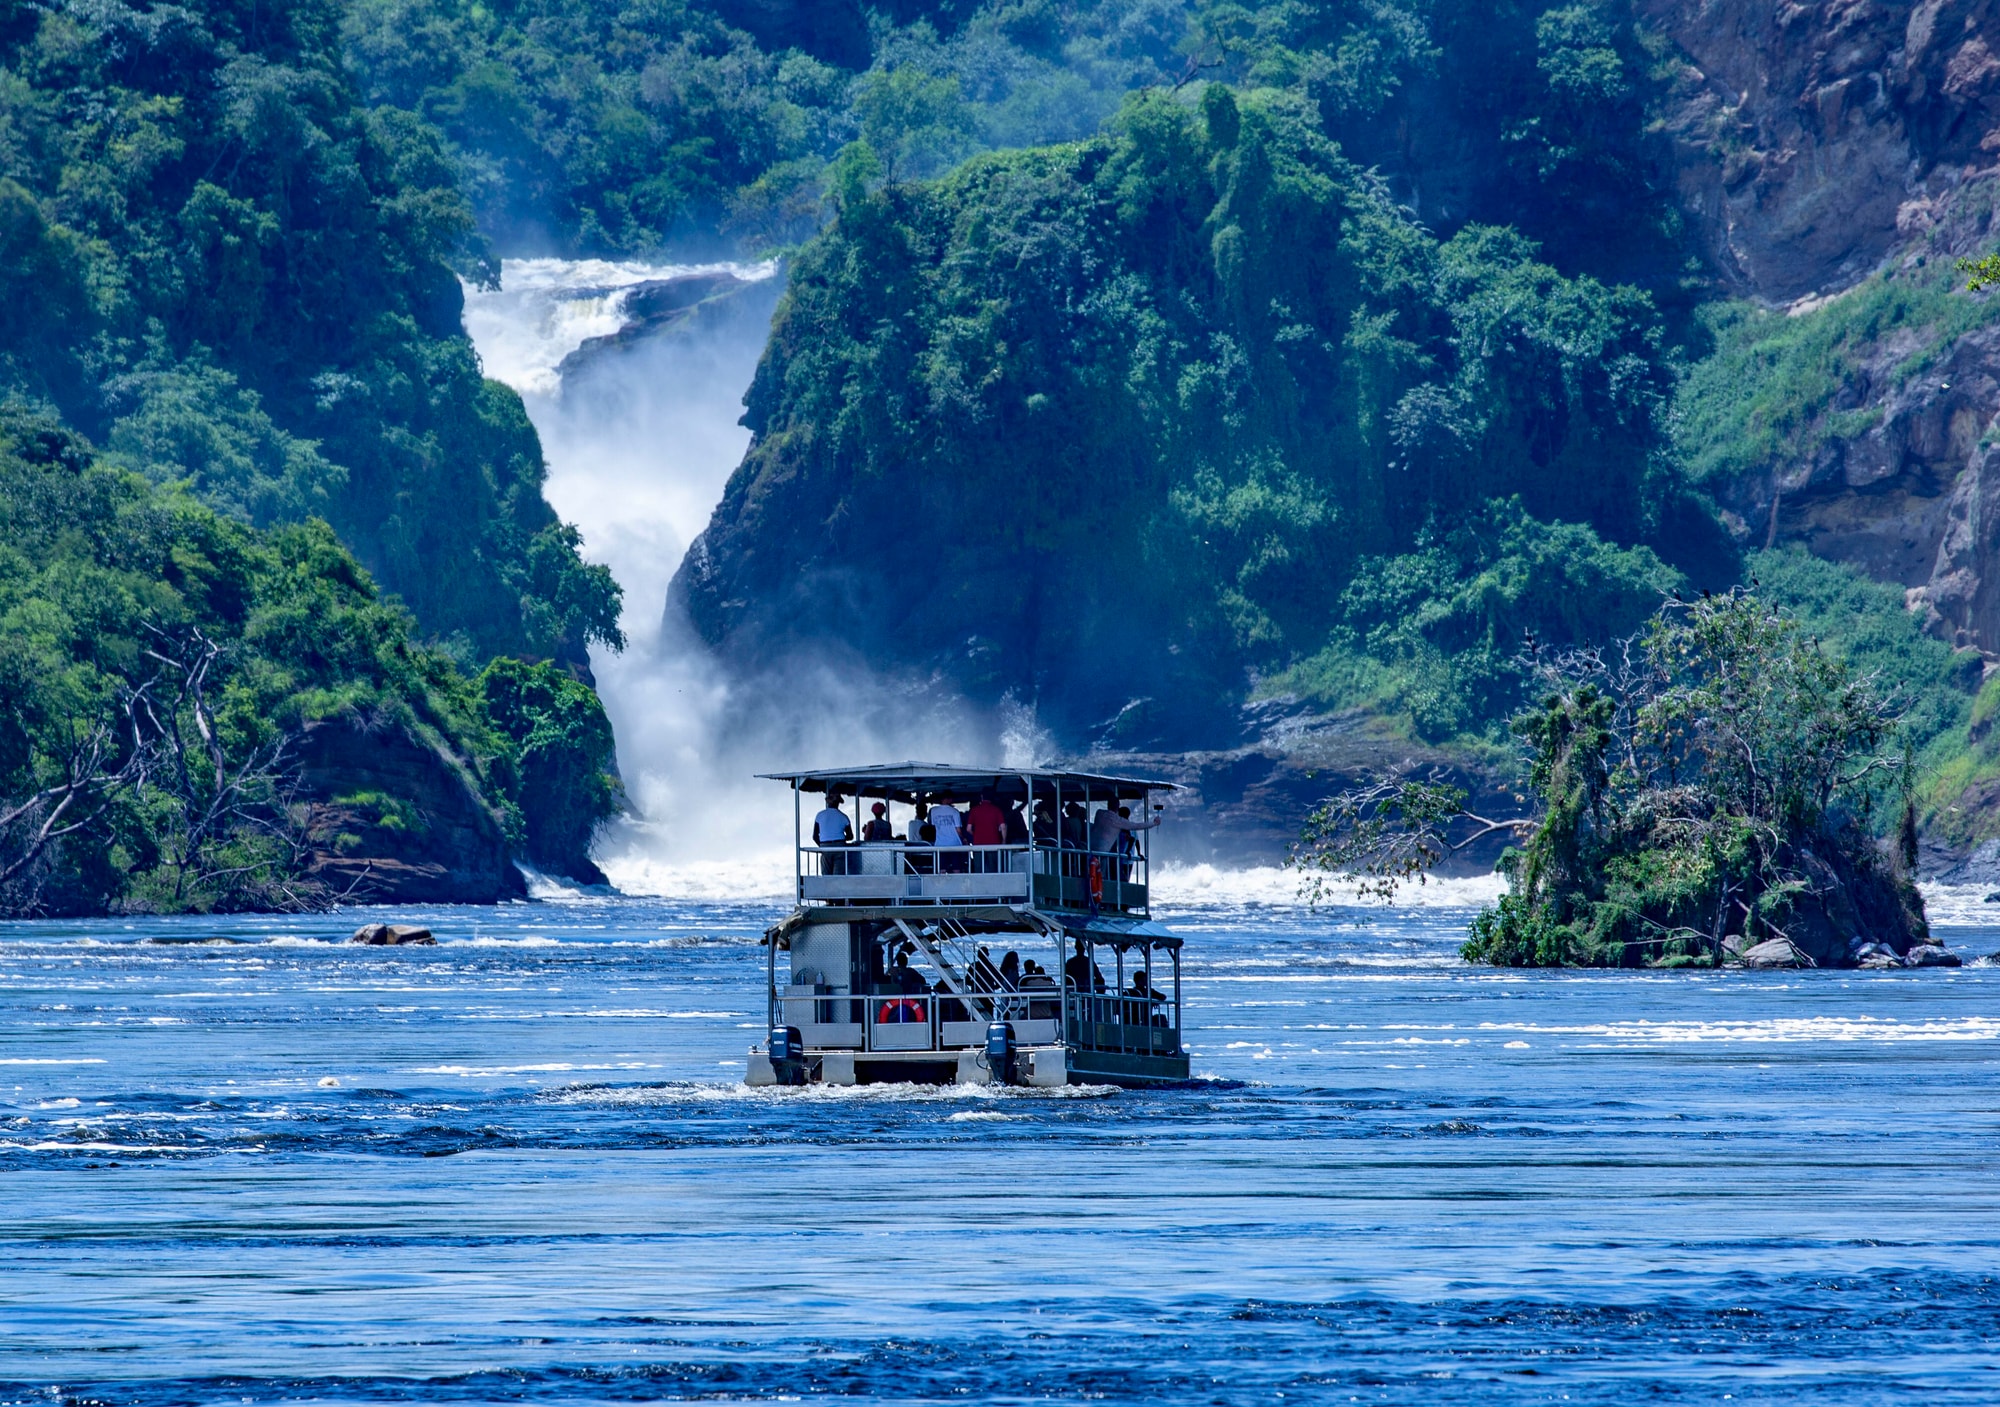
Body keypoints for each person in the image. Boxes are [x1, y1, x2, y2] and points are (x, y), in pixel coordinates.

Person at [1091, 801, 1160, 862]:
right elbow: (1137, 826)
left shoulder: (1099, 813)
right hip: (1105, 853)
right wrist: (1154, 823)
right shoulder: (1118, 821)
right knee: (1101, 871)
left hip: (1092, 849)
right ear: (1117, 807)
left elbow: (1135, 839)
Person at [814, 792, 853, 874]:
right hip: (840, 846)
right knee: (838, 876)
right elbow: (850, 836)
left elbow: (815, 836)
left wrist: (821, 846)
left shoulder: (820, 815)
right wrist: (840, 838)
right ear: (839, 803)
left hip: (825, 846)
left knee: (826, 876)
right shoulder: (843, 817)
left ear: (827, 802)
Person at [966, 791, 1006, 872]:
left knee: (979, 869)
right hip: (994, 844)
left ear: (981, 796)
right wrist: (1004, 840)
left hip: (978, 844)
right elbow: (1003, 827)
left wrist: (976, 835)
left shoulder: (974, 810)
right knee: (994, 869)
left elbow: (968, 829)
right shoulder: (997, 810)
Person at [931, 797, 967, 873]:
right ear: (949, 799)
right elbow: (958, 830)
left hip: (940, 844)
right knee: (956, 868)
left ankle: (942, 884)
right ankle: (957, 884)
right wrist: (963, 838)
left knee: (942, 869)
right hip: (955, 844)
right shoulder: (955, 812)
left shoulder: (933, 811)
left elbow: (933, 827)